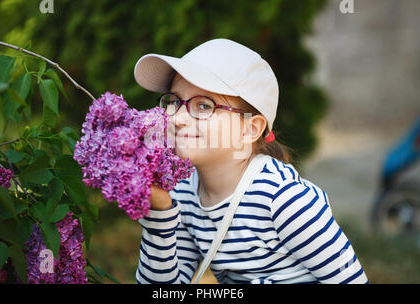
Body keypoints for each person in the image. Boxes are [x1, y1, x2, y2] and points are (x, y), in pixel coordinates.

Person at [132, 38, 368, 284]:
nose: (177, 118)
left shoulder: (286, 201)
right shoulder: (183, 194)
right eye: (174, 101)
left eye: (203, 105)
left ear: (250, 129)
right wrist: (159, 211)